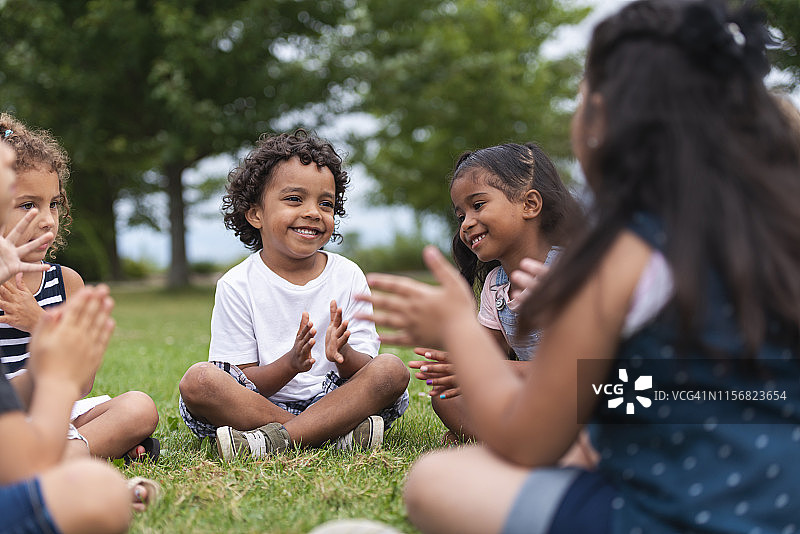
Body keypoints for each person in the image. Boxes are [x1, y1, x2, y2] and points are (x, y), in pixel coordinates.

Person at [360, 1, 800, 533]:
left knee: (436, 480)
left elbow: (528, 437)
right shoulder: (778, 240)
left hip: (669, 515)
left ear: (605, 123)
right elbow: (684, 390)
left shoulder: (618, 257)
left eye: (582, 95)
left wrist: (457, 327)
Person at [178, 129, 410, 461]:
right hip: (260, 406)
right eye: (294, 199)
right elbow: (244, 380)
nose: (314, 212)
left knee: (391, 369)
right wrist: (290, 364)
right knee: (199, 381)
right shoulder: (237, 284)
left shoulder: (348, 275)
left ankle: (275, 440)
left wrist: (343, 354)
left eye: (325, 203)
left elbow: (366, 371)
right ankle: (329, 434)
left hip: (339, 399)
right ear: (255, 213)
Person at [0, 138, 154, 534]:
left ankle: (67, 455)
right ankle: (73, 460)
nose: (48, 218)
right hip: (11, 423)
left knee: (139, 407)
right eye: (26, 204)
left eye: (53, 203)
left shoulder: (66, 282)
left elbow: (81, 384)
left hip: (53, 405)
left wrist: (40, 324)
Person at [410, 142, 582, 444]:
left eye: (478, 205)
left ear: (529, 205)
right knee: (446, 399)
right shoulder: (495, 287)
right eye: (460, 215)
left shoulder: (569, 271)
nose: (467, 223)